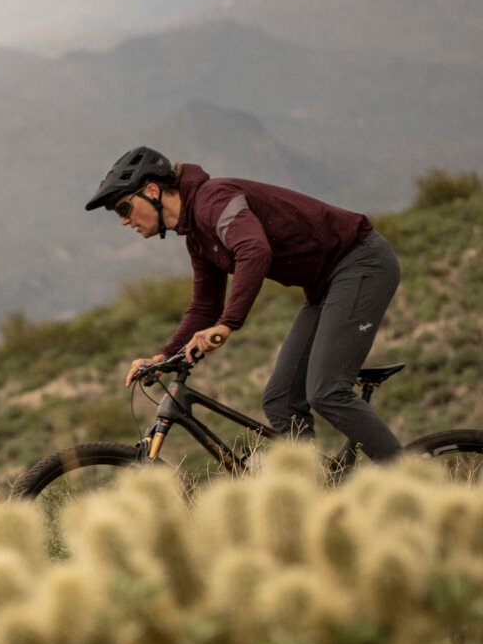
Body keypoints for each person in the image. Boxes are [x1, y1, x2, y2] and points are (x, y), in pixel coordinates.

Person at [86, 146, 401, 462]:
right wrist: (163, 356)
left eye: (124, 209)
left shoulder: (214, 200)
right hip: (324, 288)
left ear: (152, 191)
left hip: (361, 263)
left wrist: (226, 325)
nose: (124, 221)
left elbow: (253, 249)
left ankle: (411, 478)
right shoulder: (197, 235)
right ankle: (312, 483)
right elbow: (204, 307)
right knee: (281, 401)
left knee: (327, 391)